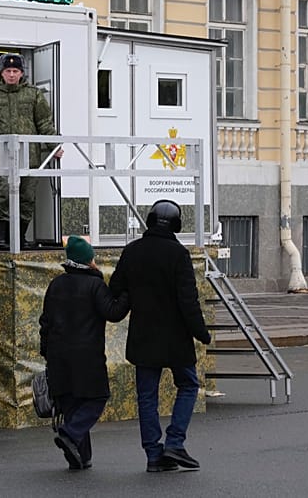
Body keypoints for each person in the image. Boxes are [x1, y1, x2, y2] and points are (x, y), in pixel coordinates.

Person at [108, 199, 212, 472]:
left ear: (150, 220)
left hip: (143, 336)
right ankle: (175, 442)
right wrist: (201, 333)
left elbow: (116, 288)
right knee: (188, 385)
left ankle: (154, 455)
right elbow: (188, 301)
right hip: (176, 337)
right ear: (176, 225)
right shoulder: (178, 254)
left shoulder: (132, 251)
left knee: (147, 396)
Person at [39, 235, 130, 470]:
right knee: (97, 398)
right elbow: (113, 312)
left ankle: (80, 456)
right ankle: (69, 434)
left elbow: (45, 322)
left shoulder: (56, 284)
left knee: (72, 404)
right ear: (88, 261)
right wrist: (128, 294)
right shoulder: (94, 285)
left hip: (58, 354)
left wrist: (46, 351)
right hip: (87, 355)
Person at [0, 52, 63, 250]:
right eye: (8, 71)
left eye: (15, 71)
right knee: (3, 195)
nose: (12, 75)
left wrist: (54, 146)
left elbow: (44, 122)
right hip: (3, 156)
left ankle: (20, 237)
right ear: (2, 73)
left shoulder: (34, 94)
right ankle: (0, 238)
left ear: (22, 73)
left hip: (30, 156)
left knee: (27, 197)